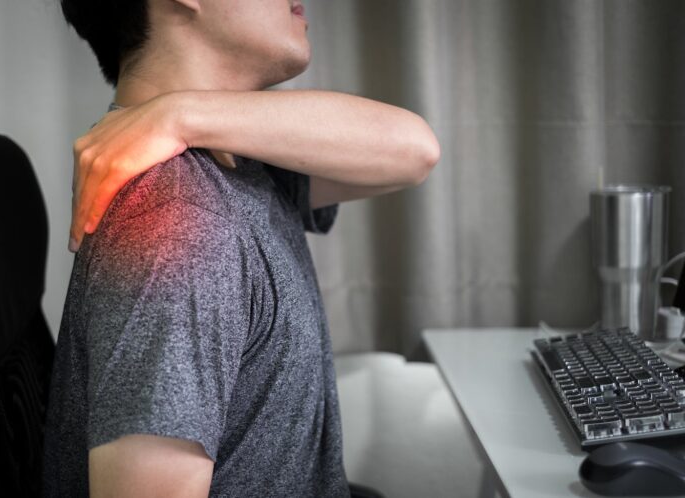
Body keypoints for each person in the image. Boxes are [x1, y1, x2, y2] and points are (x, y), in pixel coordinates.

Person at [41, 0, 441, 496]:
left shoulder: (235, 159)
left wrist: (178, 114)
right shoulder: (177, 225)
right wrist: (177, 116)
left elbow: (414, 151)